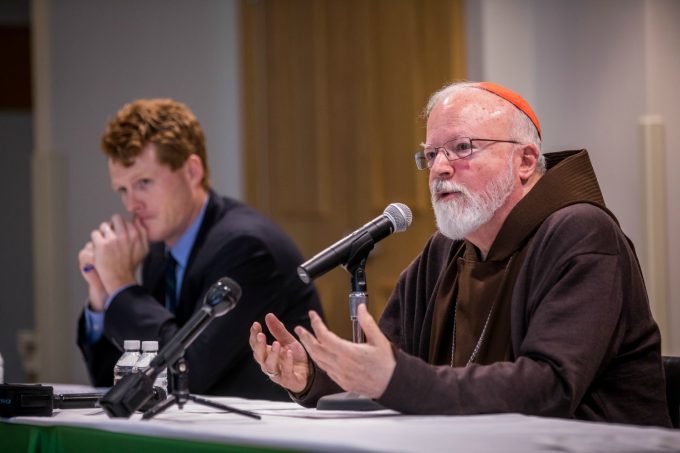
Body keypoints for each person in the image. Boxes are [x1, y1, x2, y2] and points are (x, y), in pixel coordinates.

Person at [249, 81, 672, 426]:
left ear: (525, 161)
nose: (439, 168)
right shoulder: (445, 251)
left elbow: (550, 386)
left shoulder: (581, 235)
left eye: (462, 148)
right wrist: (313, 377)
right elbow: (390, 363)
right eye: (431, 154)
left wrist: (398, 379)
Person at [77, 98, 322, 400]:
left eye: (144, 182)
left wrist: (122, 286)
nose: (131, 204)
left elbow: (188, 373)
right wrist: (104, 298)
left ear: (192, 172)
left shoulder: (246, 247)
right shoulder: (158, 251)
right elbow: (116, 386)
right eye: (123, 189)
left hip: (266, 438)